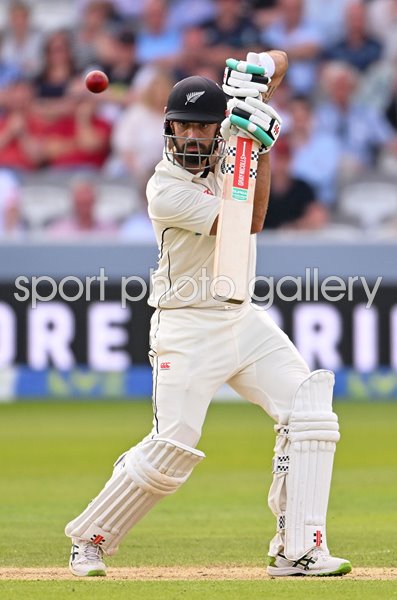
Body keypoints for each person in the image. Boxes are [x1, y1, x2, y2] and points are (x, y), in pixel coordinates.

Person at [64, 52, 352, 578]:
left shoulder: (230, 146)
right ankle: (89, 539)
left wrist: (257, 77)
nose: (194, 138)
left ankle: (298, 549)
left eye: (204, 127)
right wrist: (261, 151)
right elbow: (250, 220)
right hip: (186, 326)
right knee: (173, 448)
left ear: (219, 129)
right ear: (168, 130)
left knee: (310, 412)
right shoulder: (164, 188)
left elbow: (280, 63)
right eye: (184, 127)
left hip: (242, 317)